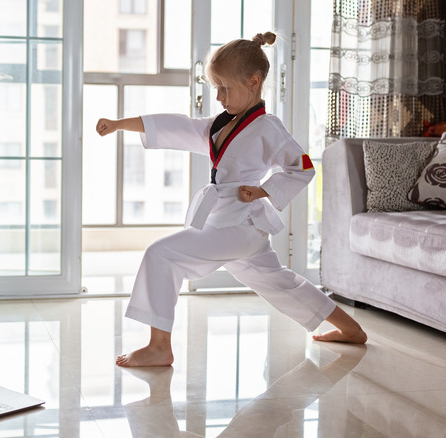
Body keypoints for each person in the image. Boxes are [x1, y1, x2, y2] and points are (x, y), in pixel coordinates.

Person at [96, 31, 367, 368]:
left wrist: (265, 190)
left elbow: (303, 167)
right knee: (281, 282)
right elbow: (176, 126)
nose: (219, 96)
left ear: (254, 82)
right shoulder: (221, 125)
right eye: (216, 88)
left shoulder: (268, 127)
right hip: (231, 224)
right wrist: (121, 124)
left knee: (160, 254)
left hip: (237, 225)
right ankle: (352, 329)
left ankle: (159, 346)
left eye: (225, 88)